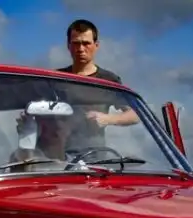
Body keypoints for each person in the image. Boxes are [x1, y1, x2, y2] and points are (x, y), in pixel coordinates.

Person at [57, 19, 139, 149]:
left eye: (86, 43)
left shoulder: (108, 80)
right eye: (76, 43)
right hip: (58, 156)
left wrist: (108, 119)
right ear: (68, 46)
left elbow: (135, 114)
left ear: (96, 45)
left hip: (95, 156)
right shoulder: (56, 78)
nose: (81, 49)